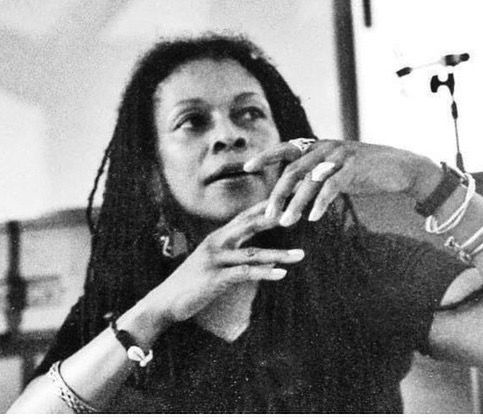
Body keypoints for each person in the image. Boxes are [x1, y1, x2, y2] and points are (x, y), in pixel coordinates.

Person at [8, 33, 483, 414]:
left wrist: (426, 179)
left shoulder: (364, 266)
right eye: (193, 121)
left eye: (249, 114)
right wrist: (158, 310)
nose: (229, 135)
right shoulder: (123, 301)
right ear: (154, 176)